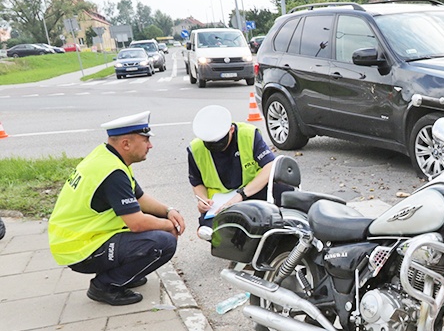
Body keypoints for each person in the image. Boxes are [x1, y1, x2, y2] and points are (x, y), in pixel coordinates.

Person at [48, 112, 186, 306]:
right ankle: (105, 285)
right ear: (126, 144)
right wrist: (168, 225)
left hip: (80, 239)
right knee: (164, 242)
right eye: (145, 140)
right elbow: (137, 223)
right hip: (79, 248)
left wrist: (168, 211)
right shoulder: (112, 172)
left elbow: (140, 197)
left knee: (157, 224)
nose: (150, 145)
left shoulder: (107, 157)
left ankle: (123, 273)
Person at [187, 105, 284, 236]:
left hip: (251, 190)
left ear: (231, 129)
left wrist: (241, 195)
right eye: (210, 145)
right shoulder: (196, 148)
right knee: (208, 232)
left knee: (283, 192)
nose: (216, 148)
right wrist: (203, 201)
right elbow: (196, 182)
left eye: (220, 143)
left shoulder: (248, 134)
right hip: (220, 203)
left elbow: (270, 165)